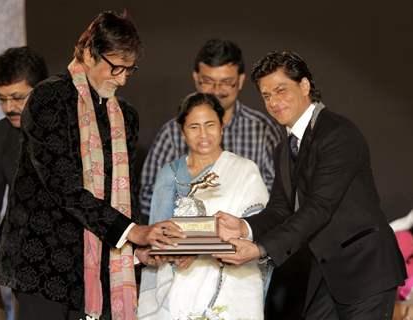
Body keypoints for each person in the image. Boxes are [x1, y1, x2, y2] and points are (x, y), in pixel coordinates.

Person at [0, 11, 183, 320]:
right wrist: (133, 232)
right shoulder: (48, 98)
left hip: (101, 268)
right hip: (41, 267)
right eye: (115, 67)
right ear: (88, 53)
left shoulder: (125, 116)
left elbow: (127, 197)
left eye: (129, 70)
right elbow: (64, 187)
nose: (122, 79)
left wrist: (136, 249)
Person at [214, 50, 407, 320]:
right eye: (266, 95)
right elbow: (280, 209)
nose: (273, 102)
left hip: (365, 270)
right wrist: (244, 227)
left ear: (304, 86)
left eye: (281, 90)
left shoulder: (338, 134)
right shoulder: (283, 146)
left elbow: (318, 207)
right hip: (325, 274)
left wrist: (260, 249)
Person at [137, 92, 269, 320]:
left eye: (210, 125)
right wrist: (171, 255)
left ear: (222, 125)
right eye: (194, 127)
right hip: (178, 285)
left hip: (234, 287)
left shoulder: (245, 170)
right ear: (182, 131)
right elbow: (157, 235)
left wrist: (199, 251)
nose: (203, 134)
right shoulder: (169, 175)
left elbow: (261, 230)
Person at [139, 39, 283, 218]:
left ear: (240, 80)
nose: (216, 90)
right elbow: (148, 198)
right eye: (208, 81)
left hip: (245, 240)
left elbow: (279, 199)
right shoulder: (171, 133)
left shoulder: (263, 131)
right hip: (180, 242)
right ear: (196, 78)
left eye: (226, 82)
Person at [0, 46, 48, 320]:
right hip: (21, 260)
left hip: (72, 257)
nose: (8, 108)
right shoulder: (0, 135)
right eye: (1, 99)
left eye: (17, 98)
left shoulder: (66, 129)